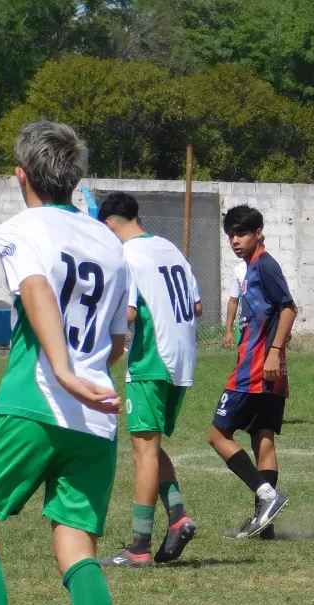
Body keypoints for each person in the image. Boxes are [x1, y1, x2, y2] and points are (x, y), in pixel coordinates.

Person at [0, 120, 130, 605]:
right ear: (77, 179)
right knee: (78, 549)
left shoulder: (19, 229)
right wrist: (84, 372)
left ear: (21, 176)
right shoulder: (110, 243)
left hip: (35, 402)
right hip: (97, 415)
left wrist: (59, 368)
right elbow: (117, 337)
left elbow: (35, 289)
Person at [97, 192, 202, 567]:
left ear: (109, 224)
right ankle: (179, 517)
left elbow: (126, 313)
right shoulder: (169, 248)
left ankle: (139, 546)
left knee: (142, 450)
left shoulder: (126, 256)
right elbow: (197, 305)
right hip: (183, 359)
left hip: (151, 359)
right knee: (150, 443)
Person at [207, 205, 294, 538]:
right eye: (231, 234)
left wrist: (273, 351)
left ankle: (267, 495)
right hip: (269, 369)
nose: (235, 240)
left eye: (241, 233)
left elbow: (289, 307)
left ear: (259, 233)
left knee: (217, 435)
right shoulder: (252, 268)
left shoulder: (264, 267)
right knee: (263, 439)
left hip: (256, 369)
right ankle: (265, 525)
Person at [224, 258, 247, 349]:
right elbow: (233, 301)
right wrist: (228, 330)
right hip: (244, 325)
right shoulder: (239, 270)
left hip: (266, 325)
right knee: (244, 360)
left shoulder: (269, 266)